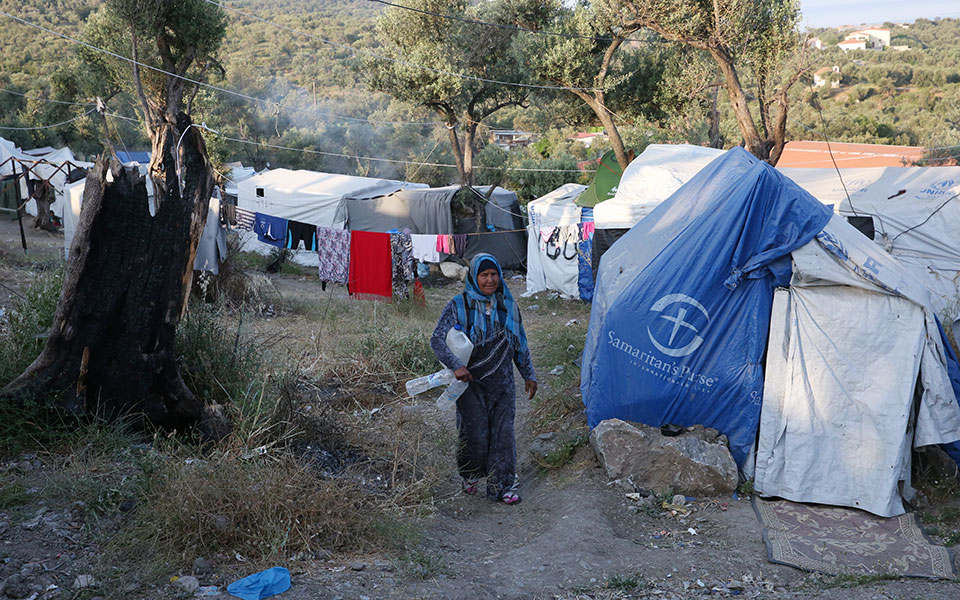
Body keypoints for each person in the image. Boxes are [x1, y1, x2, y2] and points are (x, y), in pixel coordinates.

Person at [430, 253, 537, 505]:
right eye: (484, 275)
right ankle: (470, 475)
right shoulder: (459, 305)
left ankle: (503, 484)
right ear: (474, 277)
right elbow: (437, 339)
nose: (490, 280)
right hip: (470, 384)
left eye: (494, 274)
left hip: (502, 383)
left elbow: (519, 343)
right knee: (474, 434)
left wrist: (528, 374)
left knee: (503, 434)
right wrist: (456, 365)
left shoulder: (508, 305)